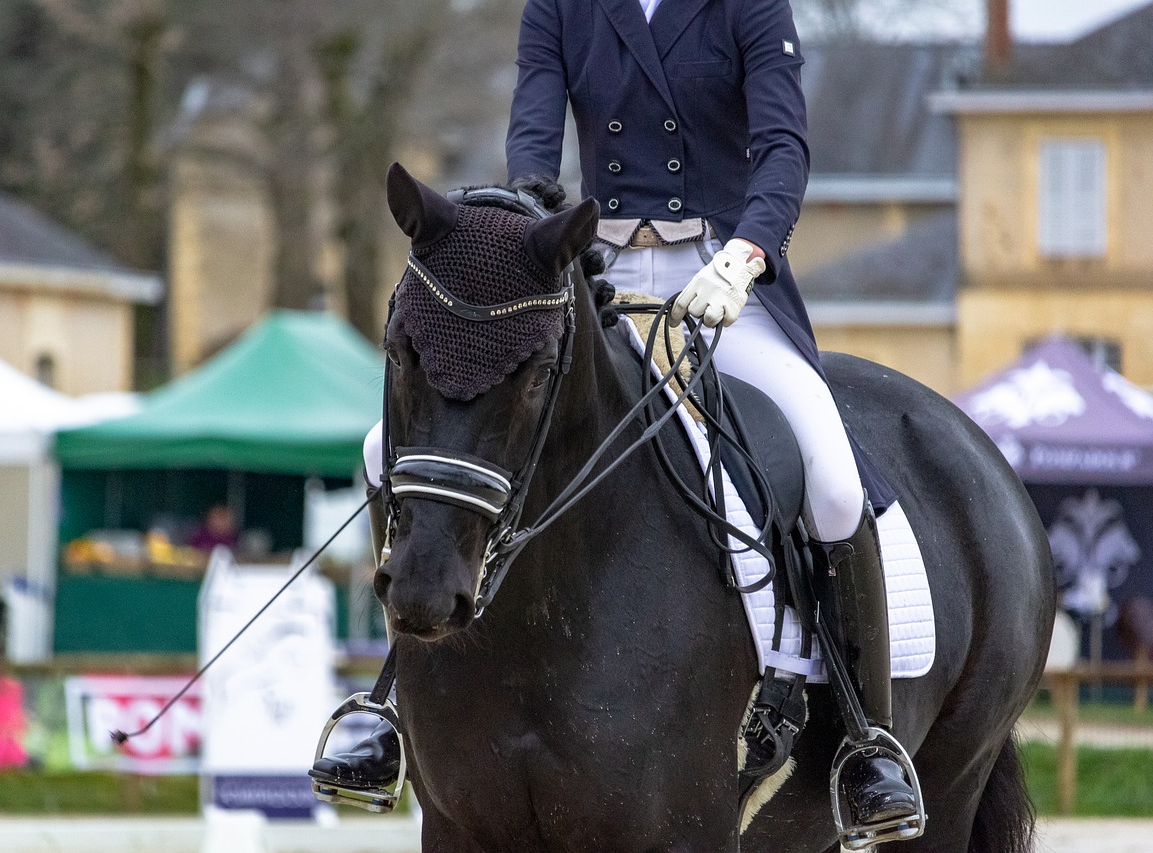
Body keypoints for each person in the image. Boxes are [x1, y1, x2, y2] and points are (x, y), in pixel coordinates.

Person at [313, 0, 920, 842]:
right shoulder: (561, 7)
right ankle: (394, 699)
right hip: (584, 279)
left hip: (721, 280)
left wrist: (745, 256)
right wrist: (525, 228)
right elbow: (533, 132)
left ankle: (865, 740)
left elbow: (782, 147)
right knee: (391, 447)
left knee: (831, 476)